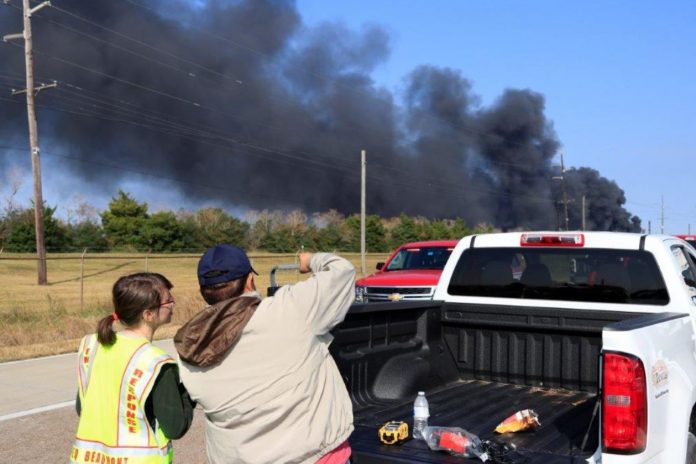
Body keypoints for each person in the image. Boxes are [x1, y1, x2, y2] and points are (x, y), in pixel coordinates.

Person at [175, 244, 356, 464]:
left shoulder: (189, 346)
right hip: (314, 457)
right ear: (250, 280)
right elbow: (342, 271)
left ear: (203, 291)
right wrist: (310, 260)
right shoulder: (291, 309)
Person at [70, 272, 195, 464]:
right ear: (148, 314)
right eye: (168, 301)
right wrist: (188, 387)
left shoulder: (91, 345)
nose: (173, 304)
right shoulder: (156, 362)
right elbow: (175, 427)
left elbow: (82, 407)